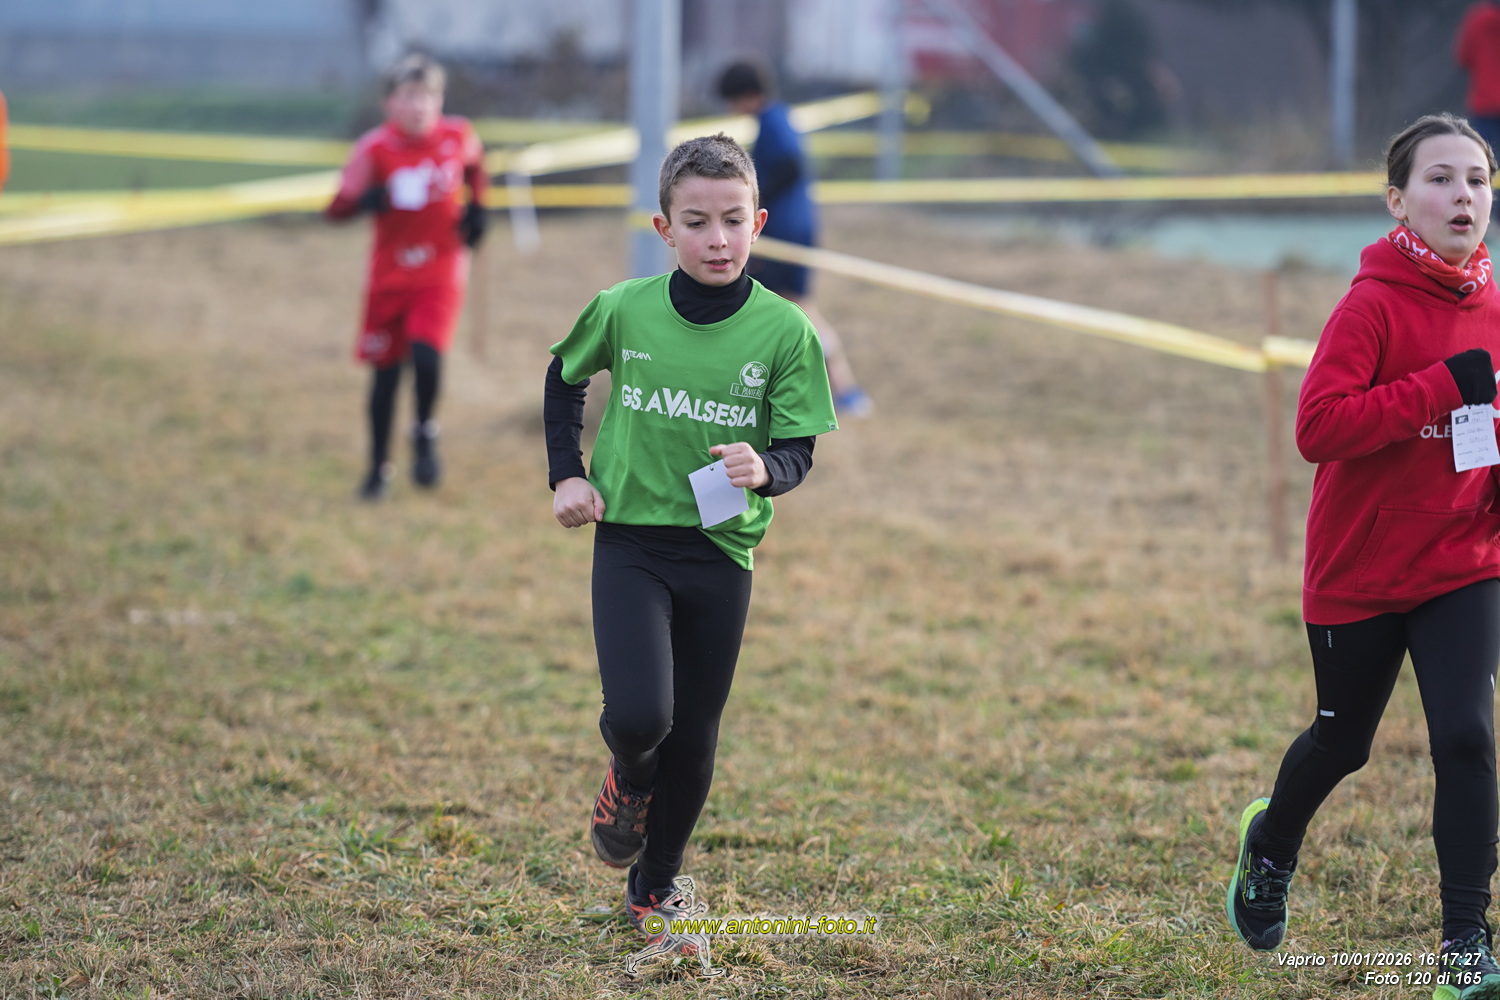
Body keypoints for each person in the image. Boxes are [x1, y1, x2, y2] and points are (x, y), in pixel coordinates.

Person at [1227, 113, 1500, 999]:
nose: (1464, 196)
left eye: (1479, 180)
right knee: (1344, 744)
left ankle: (1465, 943)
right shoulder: (1370, 304)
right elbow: (1318, 429)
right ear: (1398, 201)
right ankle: (1271, 844)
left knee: (1466, 736)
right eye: (1441, 179)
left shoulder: (1497, 308)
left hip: (1463, 557)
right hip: (1362, 567)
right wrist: (1439, 386)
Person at [544, 133, 837, 958]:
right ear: (664, 228)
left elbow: (799, 449)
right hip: (631, 542)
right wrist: (566, 475)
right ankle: (629, 775)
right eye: (697, 222)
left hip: (720, 553)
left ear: (759, 223)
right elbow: (565, 377)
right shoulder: (623, 307)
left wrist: (766, 468)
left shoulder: (786, 331)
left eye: (734, 220)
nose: (718, 239)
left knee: (697, 731)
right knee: (643, 717)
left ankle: (656, 884)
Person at [325, 53, 488, 501]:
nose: (420, 106)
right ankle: (378, 469)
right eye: (410, 96)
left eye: (428, 96)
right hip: (389, 275)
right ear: (390, 103)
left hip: (441, 269)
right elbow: (335, 208)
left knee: (427, 355)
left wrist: (478, 208)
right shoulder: (374, 149)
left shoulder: (458, 135)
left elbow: (476, 167)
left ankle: (424, 433)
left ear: (440, 100)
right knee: (385, 378)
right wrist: (367, 200)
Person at [716, 59, 872, 417]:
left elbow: (790, 162)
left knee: (798, 307)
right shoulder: (774, 120)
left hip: (786, 233)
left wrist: (754, 196)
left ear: (743, 95)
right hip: (787, 229)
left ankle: (846, 389)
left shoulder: (774, 122)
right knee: (776, 307)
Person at [1457, 3, 1500, 167]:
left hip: (1484, 101)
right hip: (1484, 102)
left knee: (1483, 157)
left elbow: (1463, 57)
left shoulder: (1477, 20)